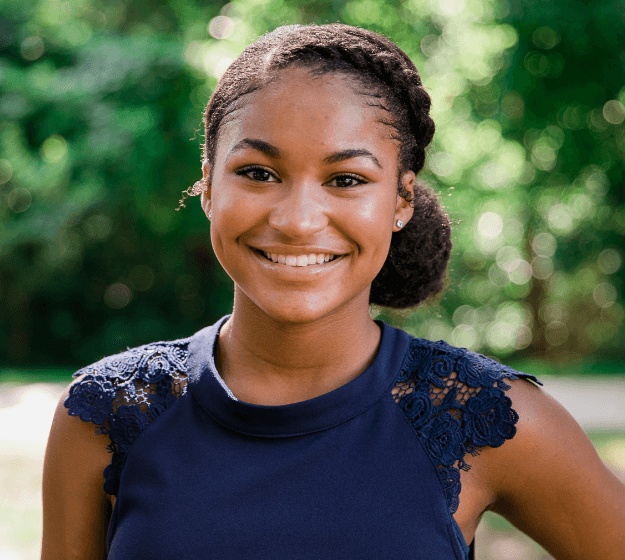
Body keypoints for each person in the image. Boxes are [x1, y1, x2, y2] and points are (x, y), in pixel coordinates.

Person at [42, 23, 625, 559]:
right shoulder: (105, 414)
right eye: (257, 173)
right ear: (208, 187)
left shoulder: (485, 418)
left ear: (400, 201)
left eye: (346, 180)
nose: (297, 219)